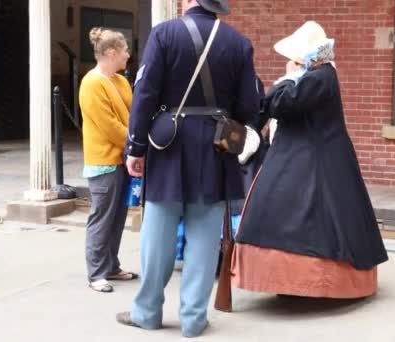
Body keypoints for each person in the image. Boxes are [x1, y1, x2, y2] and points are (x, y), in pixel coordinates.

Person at [116, 0, 259, 337]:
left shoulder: (164, 33)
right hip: (216, 147)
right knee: (205, 239)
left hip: (170, 144)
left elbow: (145, 94)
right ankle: (194, 320)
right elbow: (249, 107)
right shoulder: (239, 43)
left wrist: (135, 147)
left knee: (157, 235)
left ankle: (147, 312)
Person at [231, 21, 388, 299]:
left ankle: (308, 284)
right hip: (307, 155)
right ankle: (288, 284)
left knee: (310, 217)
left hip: (314, 160)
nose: (290, 63)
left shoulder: (319, 77)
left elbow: (281, 104)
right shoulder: (320, 75)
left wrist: (289, 79)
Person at [79, 27, 138, 293]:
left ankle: (111, 266)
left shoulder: (121, 81)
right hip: (104, 161)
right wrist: (136, 143)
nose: (128, 55)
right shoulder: (92, 82)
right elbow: (109, 126)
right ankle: (96, 273)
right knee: (102, 217)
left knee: (117, 217)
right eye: (125, 50)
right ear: (111, 52)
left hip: (121, 158)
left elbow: (132, 114)